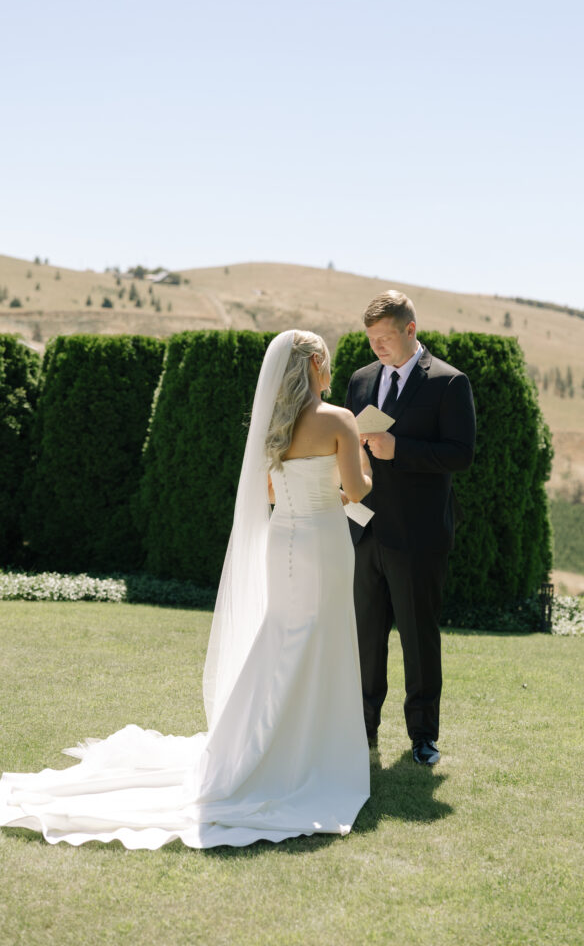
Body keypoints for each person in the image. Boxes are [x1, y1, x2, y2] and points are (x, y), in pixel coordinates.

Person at [0, 330, 372, 849]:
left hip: (283, 539)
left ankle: (262, 743)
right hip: (324, 544)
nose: (329, 371)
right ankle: (310, 752)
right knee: (320, 638)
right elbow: (357, 490)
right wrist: (362, 463)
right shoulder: (340, 420)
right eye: (325, 362)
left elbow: (268, 491)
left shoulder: (274, 424)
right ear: (314, 363)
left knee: (282, 637)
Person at [345, 291, 476, 766]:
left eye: (384, 338)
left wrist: (401, 449)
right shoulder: (360, 380)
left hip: (419, 536)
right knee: (365, 638)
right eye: (371, 339)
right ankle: (361, 730)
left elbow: (461, 453)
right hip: (364, 531)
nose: (377, 347)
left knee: (419, 640)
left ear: (411, 330)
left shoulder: (448, 381)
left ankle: (423, 737)